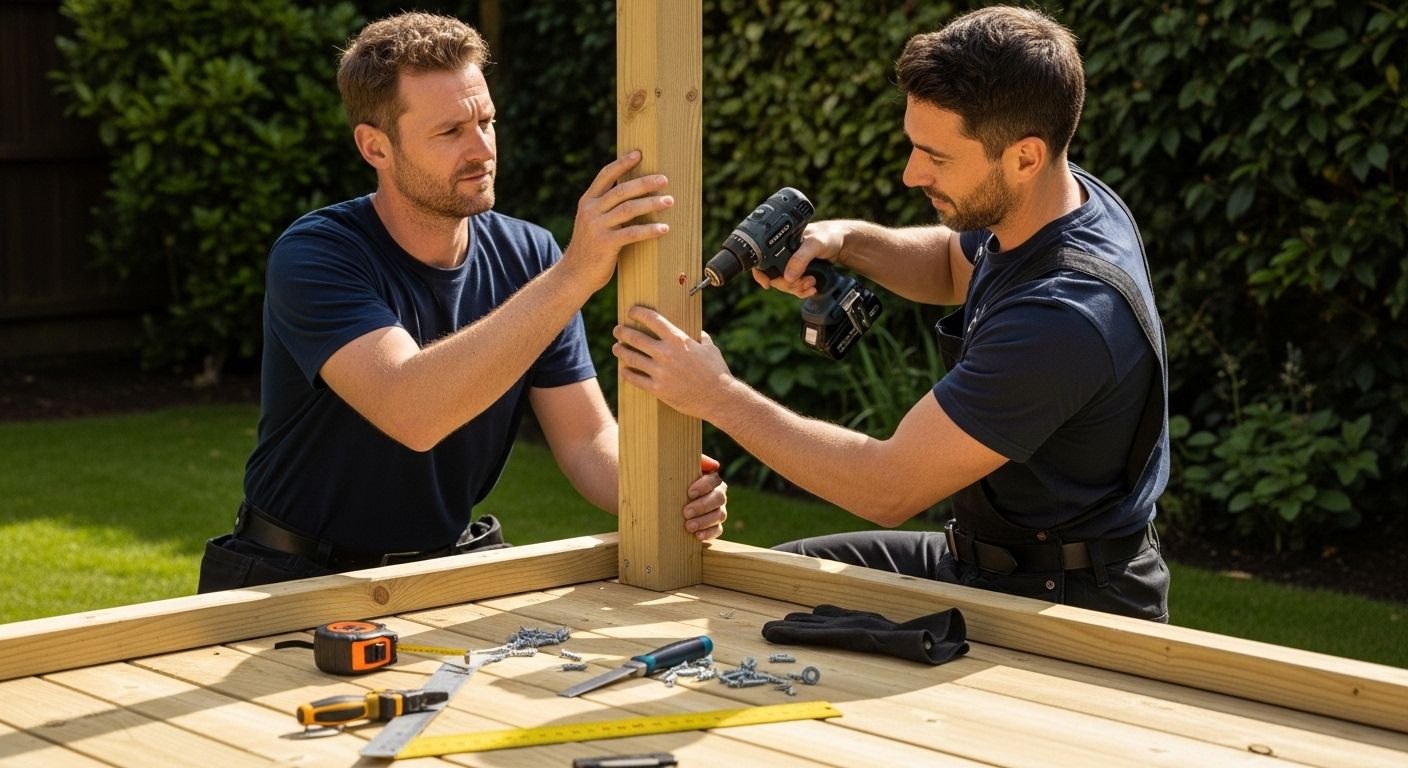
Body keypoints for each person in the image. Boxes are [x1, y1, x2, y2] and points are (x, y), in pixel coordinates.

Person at [611, 6, 1170, 621]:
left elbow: (888, 486)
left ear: (1025, 157)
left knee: (765, 623)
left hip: (1063, 602)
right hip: (983, 560)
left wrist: (715, 394)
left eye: (936, 156)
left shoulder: (1064, 315)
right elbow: (953, 267)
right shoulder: (1048, 205)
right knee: (757, 589)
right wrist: (845, 239)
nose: (911, 174)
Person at [198, 12, 727, 593]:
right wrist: (576, 275)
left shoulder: (531, 255)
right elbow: (412, 411)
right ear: (375, 146)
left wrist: (662, 490)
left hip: (445, 568)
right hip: (288, 577)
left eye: (486, 121)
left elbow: (584, 441)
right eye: (450, 132)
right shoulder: (317, 255)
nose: (481, 149)